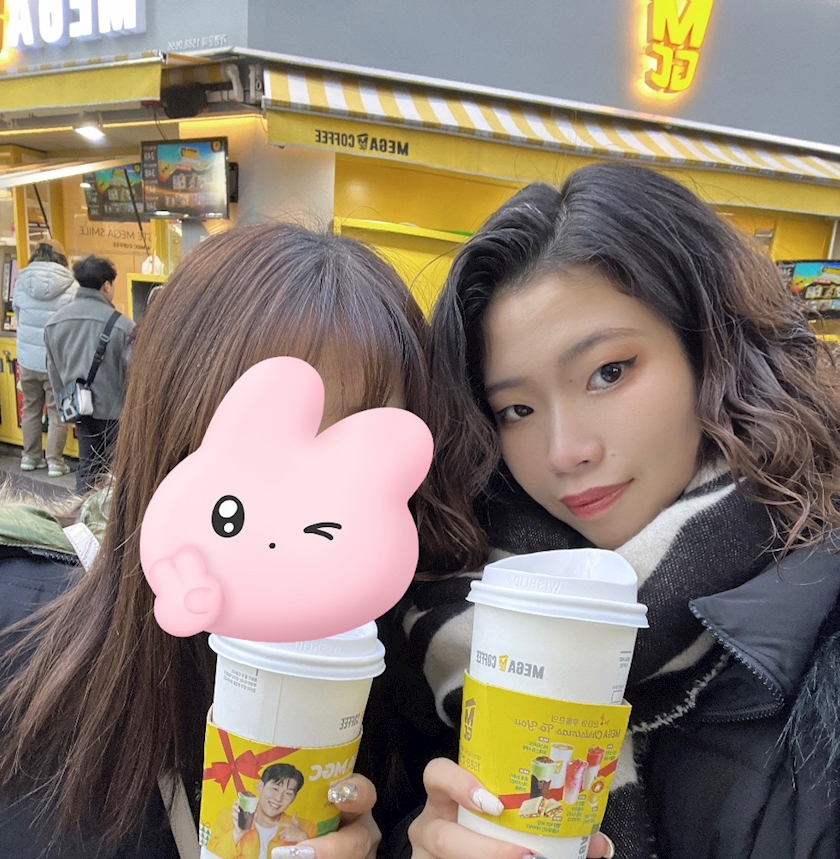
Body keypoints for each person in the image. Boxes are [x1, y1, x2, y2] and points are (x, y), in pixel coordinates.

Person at [386, 164, 840, 859]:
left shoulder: (819, 618)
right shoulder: (452, 618)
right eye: (517, 409)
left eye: (609, 372)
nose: (566, 451)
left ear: (712, 349)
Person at [0, 222, 433, 859]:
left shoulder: (402, 678)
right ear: (171, 419)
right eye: (268, 447)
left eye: (348, 457)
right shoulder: (17, 618)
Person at [44, 254, 135, 493]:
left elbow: (53, 371)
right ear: (106, 285)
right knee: (116, 472)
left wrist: (65, 404)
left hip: (79, 408)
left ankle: (82, 510)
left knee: (87, 467)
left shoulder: (54, 322)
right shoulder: (123, 326)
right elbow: (134, 375)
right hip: (116, 412)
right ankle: (111, 513)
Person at [12, 237, 77, 477]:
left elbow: (17, 313)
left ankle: (30, 457)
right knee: (56, 411)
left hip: (28, 358)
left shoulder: (21, 280)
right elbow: (72, 321)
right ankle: (55, 462)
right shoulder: (70, 284)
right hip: (55, 360)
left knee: (30, 407)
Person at [208, 764, 317, 859]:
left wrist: (303, 840)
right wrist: (238, 833)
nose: (278, 798)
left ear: (293, 799)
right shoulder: (230, 816)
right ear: (260, 786)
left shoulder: (306, 828)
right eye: (275, 789)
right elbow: (210, 856)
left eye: (288, 793)